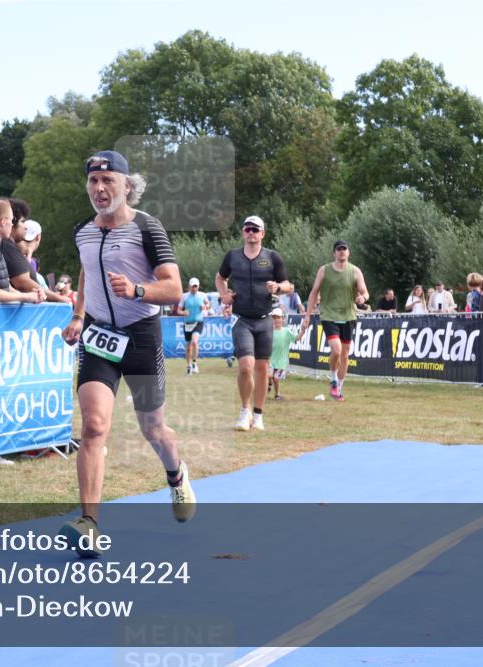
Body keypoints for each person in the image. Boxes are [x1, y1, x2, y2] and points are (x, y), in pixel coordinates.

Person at [59, 150, 195, 557]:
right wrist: (79, 315)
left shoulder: (147, 228)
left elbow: (173, 289)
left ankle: (176, 475)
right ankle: (89, 523)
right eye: (93, 181)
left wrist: (137, 290)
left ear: (126, 185)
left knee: (153, 428)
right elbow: (87, 271)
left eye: (108, 181)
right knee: (93, 426)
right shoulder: (83, 231)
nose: (100, 189)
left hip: (141, 338)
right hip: (99, 336)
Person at [215, 215, 293, 431]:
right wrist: (224, 295)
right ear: (243, 232)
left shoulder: (272, 257)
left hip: (264, 320)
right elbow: (220, 278)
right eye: (248, 229)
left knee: (262, 368)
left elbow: (288, 285)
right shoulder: (232, 256)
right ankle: (244, 410)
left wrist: (278, 288)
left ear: (262, 234)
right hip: (242, 319)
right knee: (245, 366)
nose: (251, 233)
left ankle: (258, 414)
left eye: (255, 229)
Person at [300, 239, 369, 401]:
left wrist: (363, 298)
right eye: (339, 249)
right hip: (329, 315)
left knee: (345, 354)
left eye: (344, 249)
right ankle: (333, 379)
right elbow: (314, 293)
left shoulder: (355, 271)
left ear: (348, 252)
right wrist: (307, 315)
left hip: (348, 316)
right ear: (334, 253)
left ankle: (339, 388)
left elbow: (365, 292)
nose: (342, 251)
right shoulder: (324, 270)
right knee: (336, 350)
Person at [179, 277, 210, 375]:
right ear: (189, 286)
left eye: (196, 286)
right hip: (188, 323)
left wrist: (205, 307)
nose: (194, 288)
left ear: (198, 286)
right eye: (192, 286)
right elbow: (178, 310)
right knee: (188, 347)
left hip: (198, 322)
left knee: (195, 342)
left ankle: (194, 364)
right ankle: (188, 366)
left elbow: (208, 304)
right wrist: (183, 312)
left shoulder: (202, 295)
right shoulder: (184, 296)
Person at [268, 307, 297, 400]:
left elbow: (296, 338)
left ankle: (277, 394)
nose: (276, 320)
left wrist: (303, 330)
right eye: (274, 318)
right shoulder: (269, 331)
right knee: (269, 375)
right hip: (270, 359)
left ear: (282, 319)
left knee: (276, 379)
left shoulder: (286, 331)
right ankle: (269, 382)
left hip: (282, 361)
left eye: (278, 317)